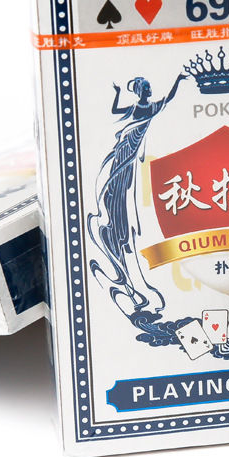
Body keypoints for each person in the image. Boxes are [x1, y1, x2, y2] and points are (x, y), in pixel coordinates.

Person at [88, 73, 186, 309]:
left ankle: (121, 239)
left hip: (133, 153)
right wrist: (117, 93)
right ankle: (117, 234)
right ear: (141, 91)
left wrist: (179, 80)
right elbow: (114, 111)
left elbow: (170, 98)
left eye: (149, 87)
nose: (149, 90)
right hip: (125, 150)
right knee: (117, 193)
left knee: (124, 195)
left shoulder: (151, 107)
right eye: (147, 88)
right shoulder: (137, 108)